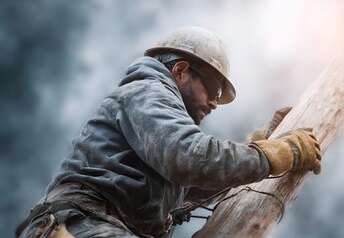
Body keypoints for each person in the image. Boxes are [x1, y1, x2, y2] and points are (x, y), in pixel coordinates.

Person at [16, 26, 322, 238]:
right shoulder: (147, 92)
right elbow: (191, 158)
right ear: (180, 71)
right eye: (213, 89)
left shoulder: (155, 139)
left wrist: (261, 144)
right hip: (80, 224)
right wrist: (281, 153)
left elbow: (205, 181)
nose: (214, 103)